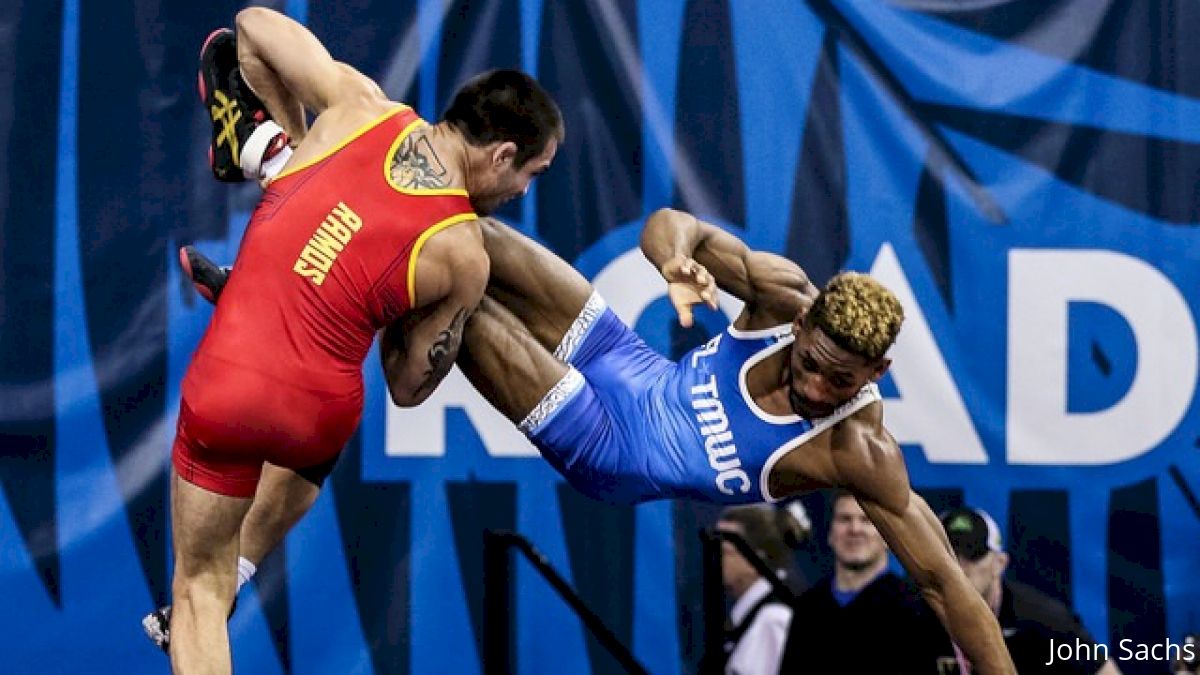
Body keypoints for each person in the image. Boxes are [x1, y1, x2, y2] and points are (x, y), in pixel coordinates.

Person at [166, 36, 1017, 675]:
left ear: (873, 379)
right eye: (810, 353)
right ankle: (276, 247)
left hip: (618, 448)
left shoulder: (859, 450)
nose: (811, 376)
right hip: (632, 361)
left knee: (458, 301)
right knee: (472, 233)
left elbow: (944, 583)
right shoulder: (786, 297)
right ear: (804, 319)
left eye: (835, 377)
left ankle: (277, 249)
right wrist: (674, 258)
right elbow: (670, 225)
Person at [160, 7, 562, 673]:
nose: (522, 191)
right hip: (314, 415)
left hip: (230, 380)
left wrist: (293, 151)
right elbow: (407, 385)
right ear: (502, 154)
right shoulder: (465, 253)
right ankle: (244, 565)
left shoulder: (358, 103)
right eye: (531, 175)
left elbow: (250, 26)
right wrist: (395, 306)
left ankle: (264, 159)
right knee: (298, 461)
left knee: (195, 586)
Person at [933, 507, 1122, 675]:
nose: (960, 566)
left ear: (1000, 564)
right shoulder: (915, 616)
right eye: (950, 556)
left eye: (973, 555)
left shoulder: (1044, 620)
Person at [779, 491, 948, 673]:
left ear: (887, 537)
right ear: (830, 534)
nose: (855, 529)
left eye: (867, 521)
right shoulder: (808, 607)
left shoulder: (915, 611)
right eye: (845, 519)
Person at [708, 504, 808, 674]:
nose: (714, 559)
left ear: (755, 560)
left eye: (725, 552)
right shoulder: (753, 616)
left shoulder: (774, 619)